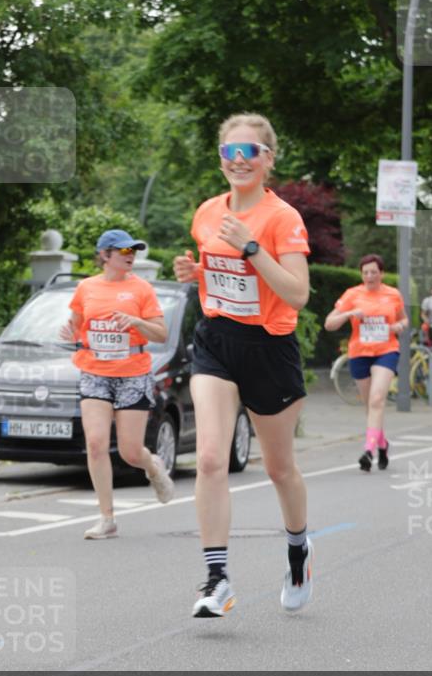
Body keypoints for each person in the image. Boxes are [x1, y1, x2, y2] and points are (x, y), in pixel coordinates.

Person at [173, 113, 313, 618]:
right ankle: (216, 578)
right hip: (216, 341)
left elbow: (297, 293)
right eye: (229, 152)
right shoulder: (208, 212)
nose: (238, 161)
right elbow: (216, 272)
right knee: (210, 458)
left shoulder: (282, 219)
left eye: (249, 151)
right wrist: (196, 271)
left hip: (269, 348)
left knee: (279, 469)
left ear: (267, 159)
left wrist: (251, 247)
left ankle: (298, 550)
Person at [60, 229, 174, 540]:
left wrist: (137, 323)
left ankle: (152, 465)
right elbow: (76, 325)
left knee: (130, 452)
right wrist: (70, 333)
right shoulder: (86, 288)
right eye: (124, 252)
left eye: (133, 251)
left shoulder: (142, 290)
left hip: (132, 373)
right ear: (105, 255)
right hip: (94, 371)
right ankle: (106, 518)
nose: (130, 256)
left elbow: (161, 334)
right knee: (95, 443)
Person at [324, 255, 408, 472]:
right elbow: (329, 324)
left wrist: (399, 326)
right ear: (362, 275)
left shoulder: (393, 294)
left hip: (386, 351)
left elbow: (404, 319)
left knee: (378, 398)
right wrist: (350, 313)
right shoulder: (352, 295)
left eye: (374, 272)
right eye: (366, 273)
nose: (370, 276)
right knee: (369, 405)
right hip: (359, 352)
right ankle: (382, 444)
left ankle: (368, 450)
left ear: (382, 273)